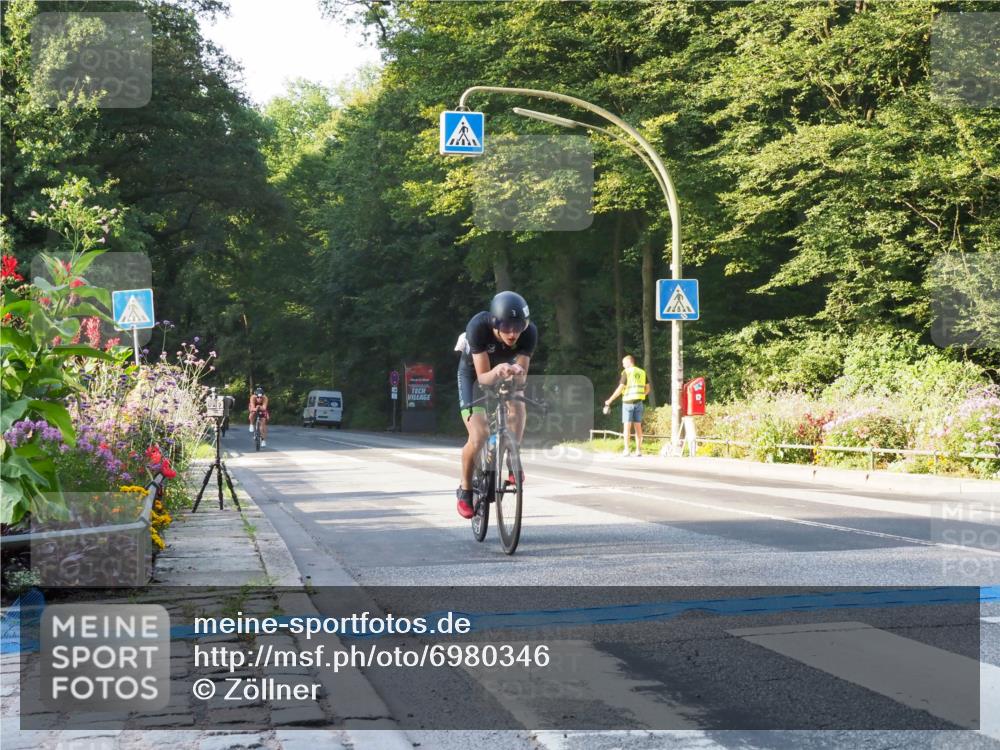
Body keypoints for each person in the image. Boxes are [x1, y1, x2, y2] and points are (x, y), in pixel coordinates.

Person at [454, 291, 537, 518]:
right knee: (479, 435)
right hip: (474, 376)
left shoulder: (529, 333)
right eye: (507, 328)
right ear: (495, 324)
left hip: (504, 373)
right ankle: (465, 489)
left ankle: (512, 456)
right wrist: (497, 370)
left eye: (518, 327)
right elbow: (482, 378)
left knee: (518, 403)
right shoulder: (478, 327)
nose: (513, 334)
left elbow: (521, 378)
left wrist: (518, 372)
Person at [604, 354, 650, 456]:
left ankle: (627, 450)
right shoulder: (642, 372)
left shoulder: (626, 372)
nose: (623, 365)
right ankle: (638, 451)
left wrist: (609, 400)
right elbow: (648, 389)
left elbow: (620, 388)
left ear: (629, 362)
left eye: (624, 363)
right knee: (638, 427)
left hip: (628, 403)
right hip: (639, 402)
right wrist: (642, 395)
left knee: (627, 428)